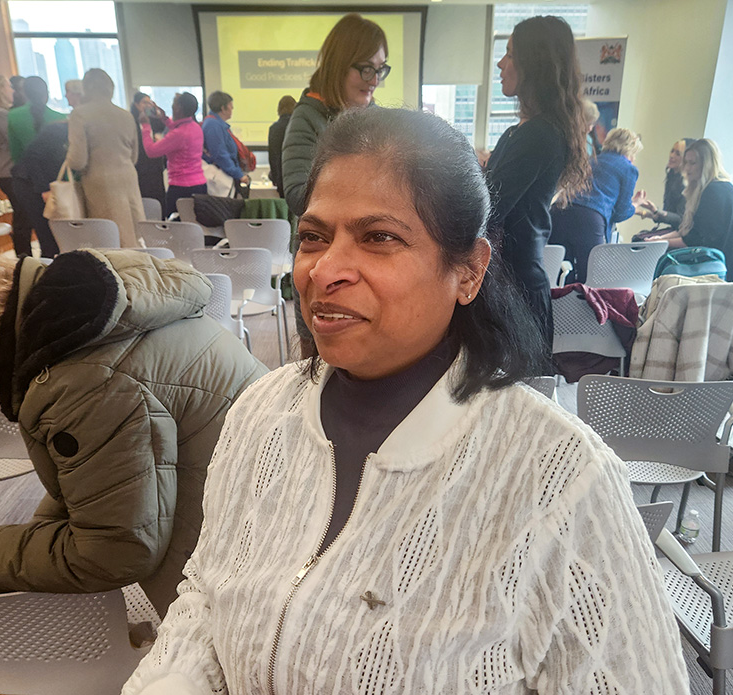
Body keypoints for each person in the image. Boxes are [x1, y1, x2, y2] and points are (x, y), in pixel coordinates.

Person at [121, 107, 689, 695]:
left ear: (468, 271)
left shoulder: (562, 480)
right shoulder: (260, 413)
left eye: (379, 238)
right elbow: (206, 599)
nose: (326, 270)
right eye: (314, 236)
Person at [0, 248, 267, 616]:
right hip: (262, 505)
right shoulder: (89, 312)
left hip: (246, 571)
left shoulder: (85, 383)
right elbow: (95, 482)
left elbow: (116, 552)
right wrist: (38, 534)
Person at [484, 15, 592, 369]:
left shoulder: (538, 135)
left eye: (510, 54)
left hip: (514, 291)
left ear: (535, 64)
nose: (501, 63)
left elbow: (489, 210)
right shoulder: (527, 132)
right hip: (511, 283)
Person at [281, 13, 389, 218]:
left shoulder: (378, 120)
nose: (375, 80)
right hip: (326, 243)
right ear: (339, 66)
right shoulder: (308, 116)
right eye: (367, 68)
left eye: (380, 69)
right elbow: (297, 196)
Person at [647, 139, 733, 281]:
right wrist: (660, 239)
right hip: (726, 266)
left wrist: (661, 243)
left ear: (706, 164)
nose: (687, 168)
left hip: (721, 272)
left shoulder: (712, 193)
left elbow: (695, 240)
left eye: (692, 163)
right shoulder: (723, 188)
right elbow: (690, 231)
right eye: (686, 163)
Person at [66, 68, 146, 248]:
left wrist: (68, 159)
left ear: (87, 88)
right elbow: (134, 156)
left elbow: (78, 160)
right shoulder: (126, 115)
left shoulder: (80, 114)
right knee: (133, 235)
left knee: (109, 239)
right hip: (128, 178)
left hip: (100, 181)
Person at [550, 127, 642, 282]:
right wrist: (636, 205)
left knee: (560, 273)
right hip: (589, 218)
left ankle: (560, 306)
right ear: (631, 149)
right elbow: (621, 212)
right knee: (592, 276)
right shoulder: (628, 168)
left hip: (559, 211)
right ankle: (583, 307)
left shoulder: (590, 160)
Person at [0, 74, 34, 258]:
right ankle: (23, 257)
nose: (12, 90)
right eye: (8, 86)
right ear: (0, 90)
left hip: (6, 171)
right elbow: (16, 140)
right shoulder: (0, 114)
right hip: (9, 171)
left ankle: (24, 256)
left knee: (23, 214)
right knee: (23, 215)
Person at [139, 92, 205, 217]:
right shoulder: (195, 127)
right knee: (194, 225)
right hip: (199, 185)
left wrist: (145, 126)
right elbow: (179, 129)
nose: (171, 106)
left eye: (174, 104)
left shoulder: (179, 134)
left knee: (176, 228)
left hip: (182, 188)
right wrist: (164, 119)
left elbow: (151, 151)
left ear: (179, 108)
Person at [9, 120, 67, 258]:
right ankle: (46, 274)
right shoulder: (57, 130)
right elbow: (31, 158)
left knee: (53, 235)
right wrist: (43, 189)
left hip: (41, 183)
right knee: (47, 234)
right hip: (28, 184)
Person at [634, 138, 695, 230]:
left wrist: (655, 210)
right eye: (672, 151)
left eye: (678, 154)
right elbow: (667, 216)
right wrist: (642, 212)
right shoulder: (672, 178)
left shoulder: (686, 184)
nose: (672, 155)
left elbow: (680, 219)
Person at [7, 76, 63, 163]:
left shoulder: (13, 116)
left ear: (25, 93)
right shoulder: (61, 118)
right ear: (46, 94)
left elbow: (16, 154)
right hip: (58, 171)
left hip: (29, 171)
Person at [201, 91, 248, 194]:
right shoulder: (213, 125)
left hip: (225, 175)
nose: (232, 108)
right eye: (230, 105)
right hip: (221, 178)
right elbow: (220, 154)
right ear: (223, 108)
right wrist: (238, 174)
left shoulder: (216, 124)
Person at [131, 92, 167, 213]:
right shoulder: (132, 120)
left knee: (158, 195)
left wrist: (158, 112)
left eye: (149, 102)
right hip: (140, 163)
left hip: (155, 163)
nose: (147, 105)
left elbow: (164, 127)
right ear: (136, 104)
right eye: (144, 102)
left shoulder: (153, 119)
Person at [268, 95, 296, 196]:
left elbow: (272, 156)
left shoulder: (274, 128)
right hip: (297, 176)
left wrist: (275, 178)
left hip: (282, 176)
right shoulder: (298, 126)